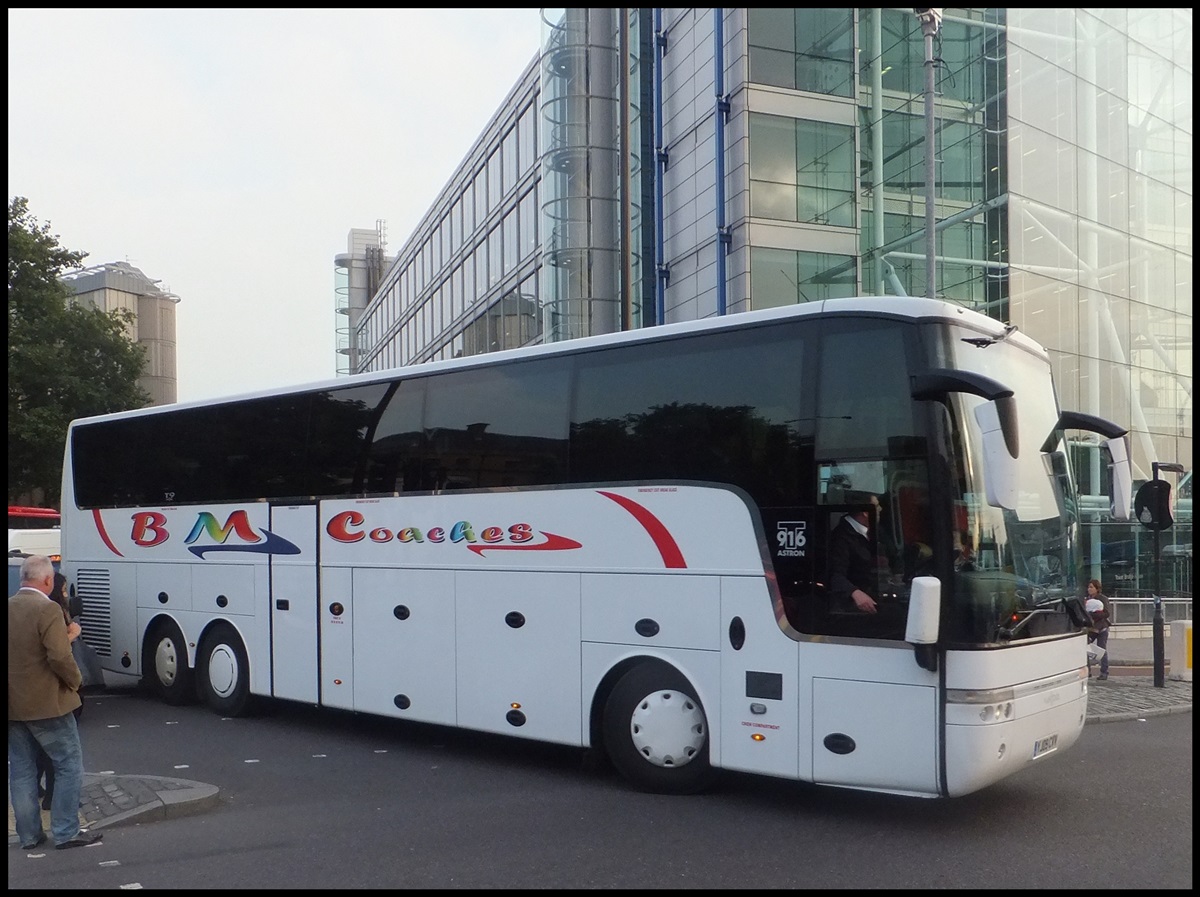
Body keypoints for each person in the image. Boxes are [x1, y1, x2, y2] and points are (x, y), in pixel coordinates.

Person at [8, 555, 102, 851]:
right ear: (48, 580)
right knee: (68, 765)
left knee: (22, 770)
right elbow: (58, 656)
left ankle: (29, 836)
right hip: (49, 704)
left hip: (13, 705)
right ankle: (65, 831)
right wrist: (75, 682)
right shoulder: (47, 609)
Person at [36, 571, 85, 810]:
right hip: (54, 694)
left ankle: (30, 824)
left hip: (25, 698)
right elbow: (57, 654)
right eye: (64, 590)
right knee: (64, 756)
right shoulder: (52, 612)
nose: (66, 595)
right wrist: (73, 634)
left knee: (29, 759)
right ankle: (60, 806)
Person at [828, 494, 883, 615]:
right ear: (865, 512)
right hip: (852, 606)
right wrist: (855, 593)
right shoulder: (841, 537)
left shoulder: (875, 531)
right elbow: (834, 575)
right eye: (877, 506)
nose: (880, 509)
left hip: (878, 593)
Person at [1085, 578, 1112, 680]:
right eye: (1088, 587)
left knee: (1102, 649)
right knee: (1085, 648)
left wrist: (1094, 614)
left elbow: (1107, 613)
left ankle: (1104, 672)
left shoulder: (1102, 599)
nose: (1089, 589)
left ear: (1097, 588)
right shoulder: (1087, 599)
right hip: (1091, 629)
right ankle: (1088, 671)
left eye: (1091, 587)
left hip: (1101, 628)